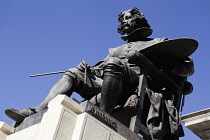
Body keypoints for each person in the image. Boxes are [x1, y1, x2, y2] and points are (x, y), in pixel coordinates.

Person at [6, 8, 195, 140]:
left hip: (138, 86)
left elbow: (188, 68)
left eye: (128, 18)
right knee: (74, 72)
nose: (124, 22)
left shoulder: (158, 42)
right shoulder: (116, 50)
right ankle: (35, 112)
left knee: (113, 64)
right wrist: (89, 70)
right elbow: (102, 71)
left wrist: (165, 67)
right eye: (122, 20)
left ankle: (102, 116)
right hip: (110, 83)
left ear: (138, 19)